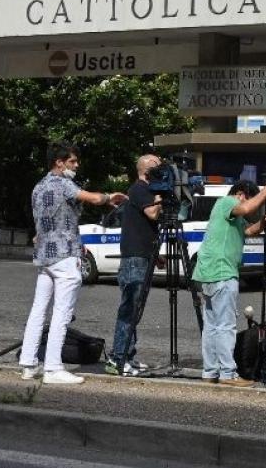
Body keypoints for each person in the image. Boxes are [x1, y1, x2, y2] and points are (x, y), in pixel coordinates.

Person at [18, 143, 127, 385]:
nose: (76, 166)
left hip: (45, 255)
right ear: (59, 162)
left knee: (38, 310)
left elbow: (47, 223)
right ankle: (53, 368)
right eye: (72, 161)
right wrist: (111, 197)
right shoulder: (64, 184)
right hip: (65, 257)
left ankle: (28, 363)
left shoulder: (38, 187)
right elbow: (94, 198)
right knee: (62, 313)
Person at [192, 180, 266, 387]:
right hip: (222, 272)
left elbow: (249, 231)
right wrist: (264, 194)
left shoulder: (232, 216)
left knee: (211, 326)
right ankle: (228, 373)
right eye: (250, 197)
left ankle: (210, 371)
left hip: (207, 273)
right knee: (226, 326)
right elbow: (246, 207)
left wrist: (263, 223)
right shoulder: (227, 202)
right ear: (241, 194)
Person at [107, 154, 162, 377]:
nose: (162, 172)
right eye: (159, 168)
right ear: (148, 170)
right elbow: (152, 213)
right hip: (134, 260)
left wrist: (155, 254)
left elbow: (144, 226)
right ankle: (118, 358)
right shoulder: (140, 188)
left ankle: (127, 355)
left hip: (142, 256)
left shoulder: (143, 190)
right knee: (130, 309)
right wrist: (161, 197)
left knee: (135, 310)